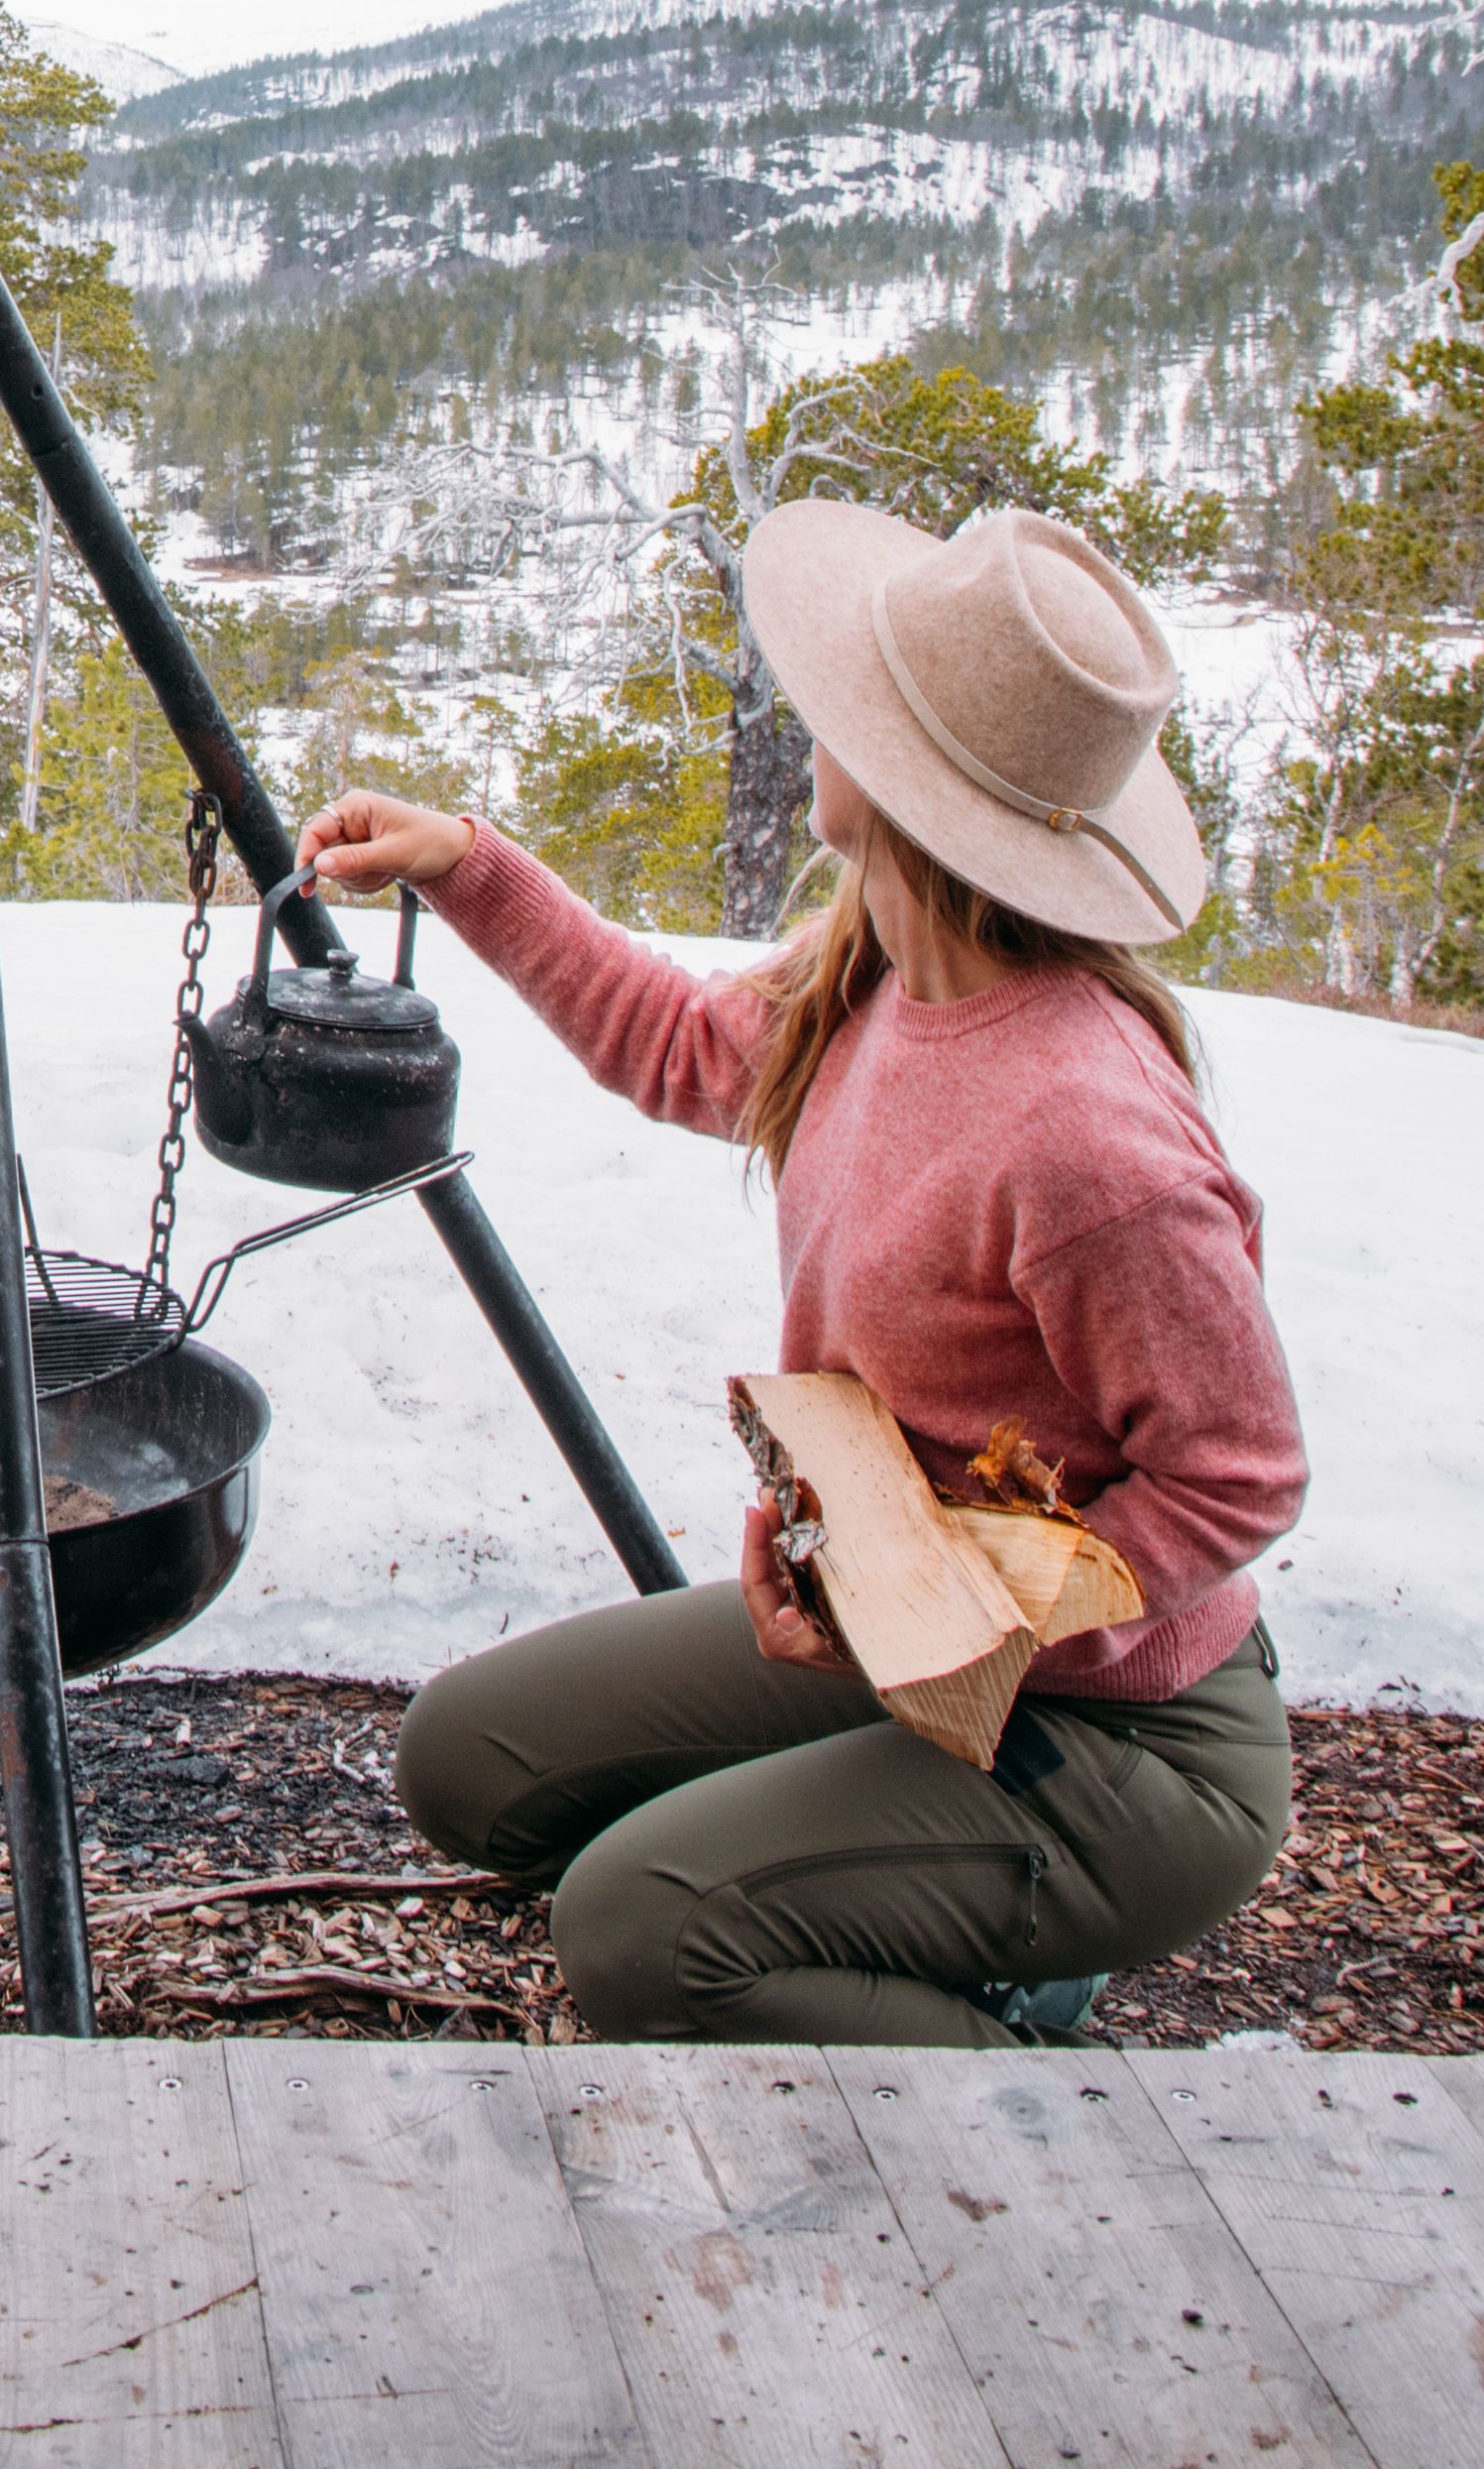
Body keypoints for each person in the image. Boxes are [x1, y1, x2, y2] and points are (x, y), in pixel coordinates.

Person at [299, 495, 1302, 2049]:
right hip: (896, 1633)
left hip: (1120, 1736)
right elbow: (684, 1046)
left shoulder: (1092, 1141)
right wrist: (463, 867)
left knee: (633, 1934)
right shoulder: (882, 971)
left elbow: (1235, 1481)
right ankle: (865, 1868)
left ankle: (1050, 2072)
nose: (811, 710)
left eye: (849, 700)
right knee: (468, 1761)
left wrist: (959, 1619)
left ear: (901, 786)